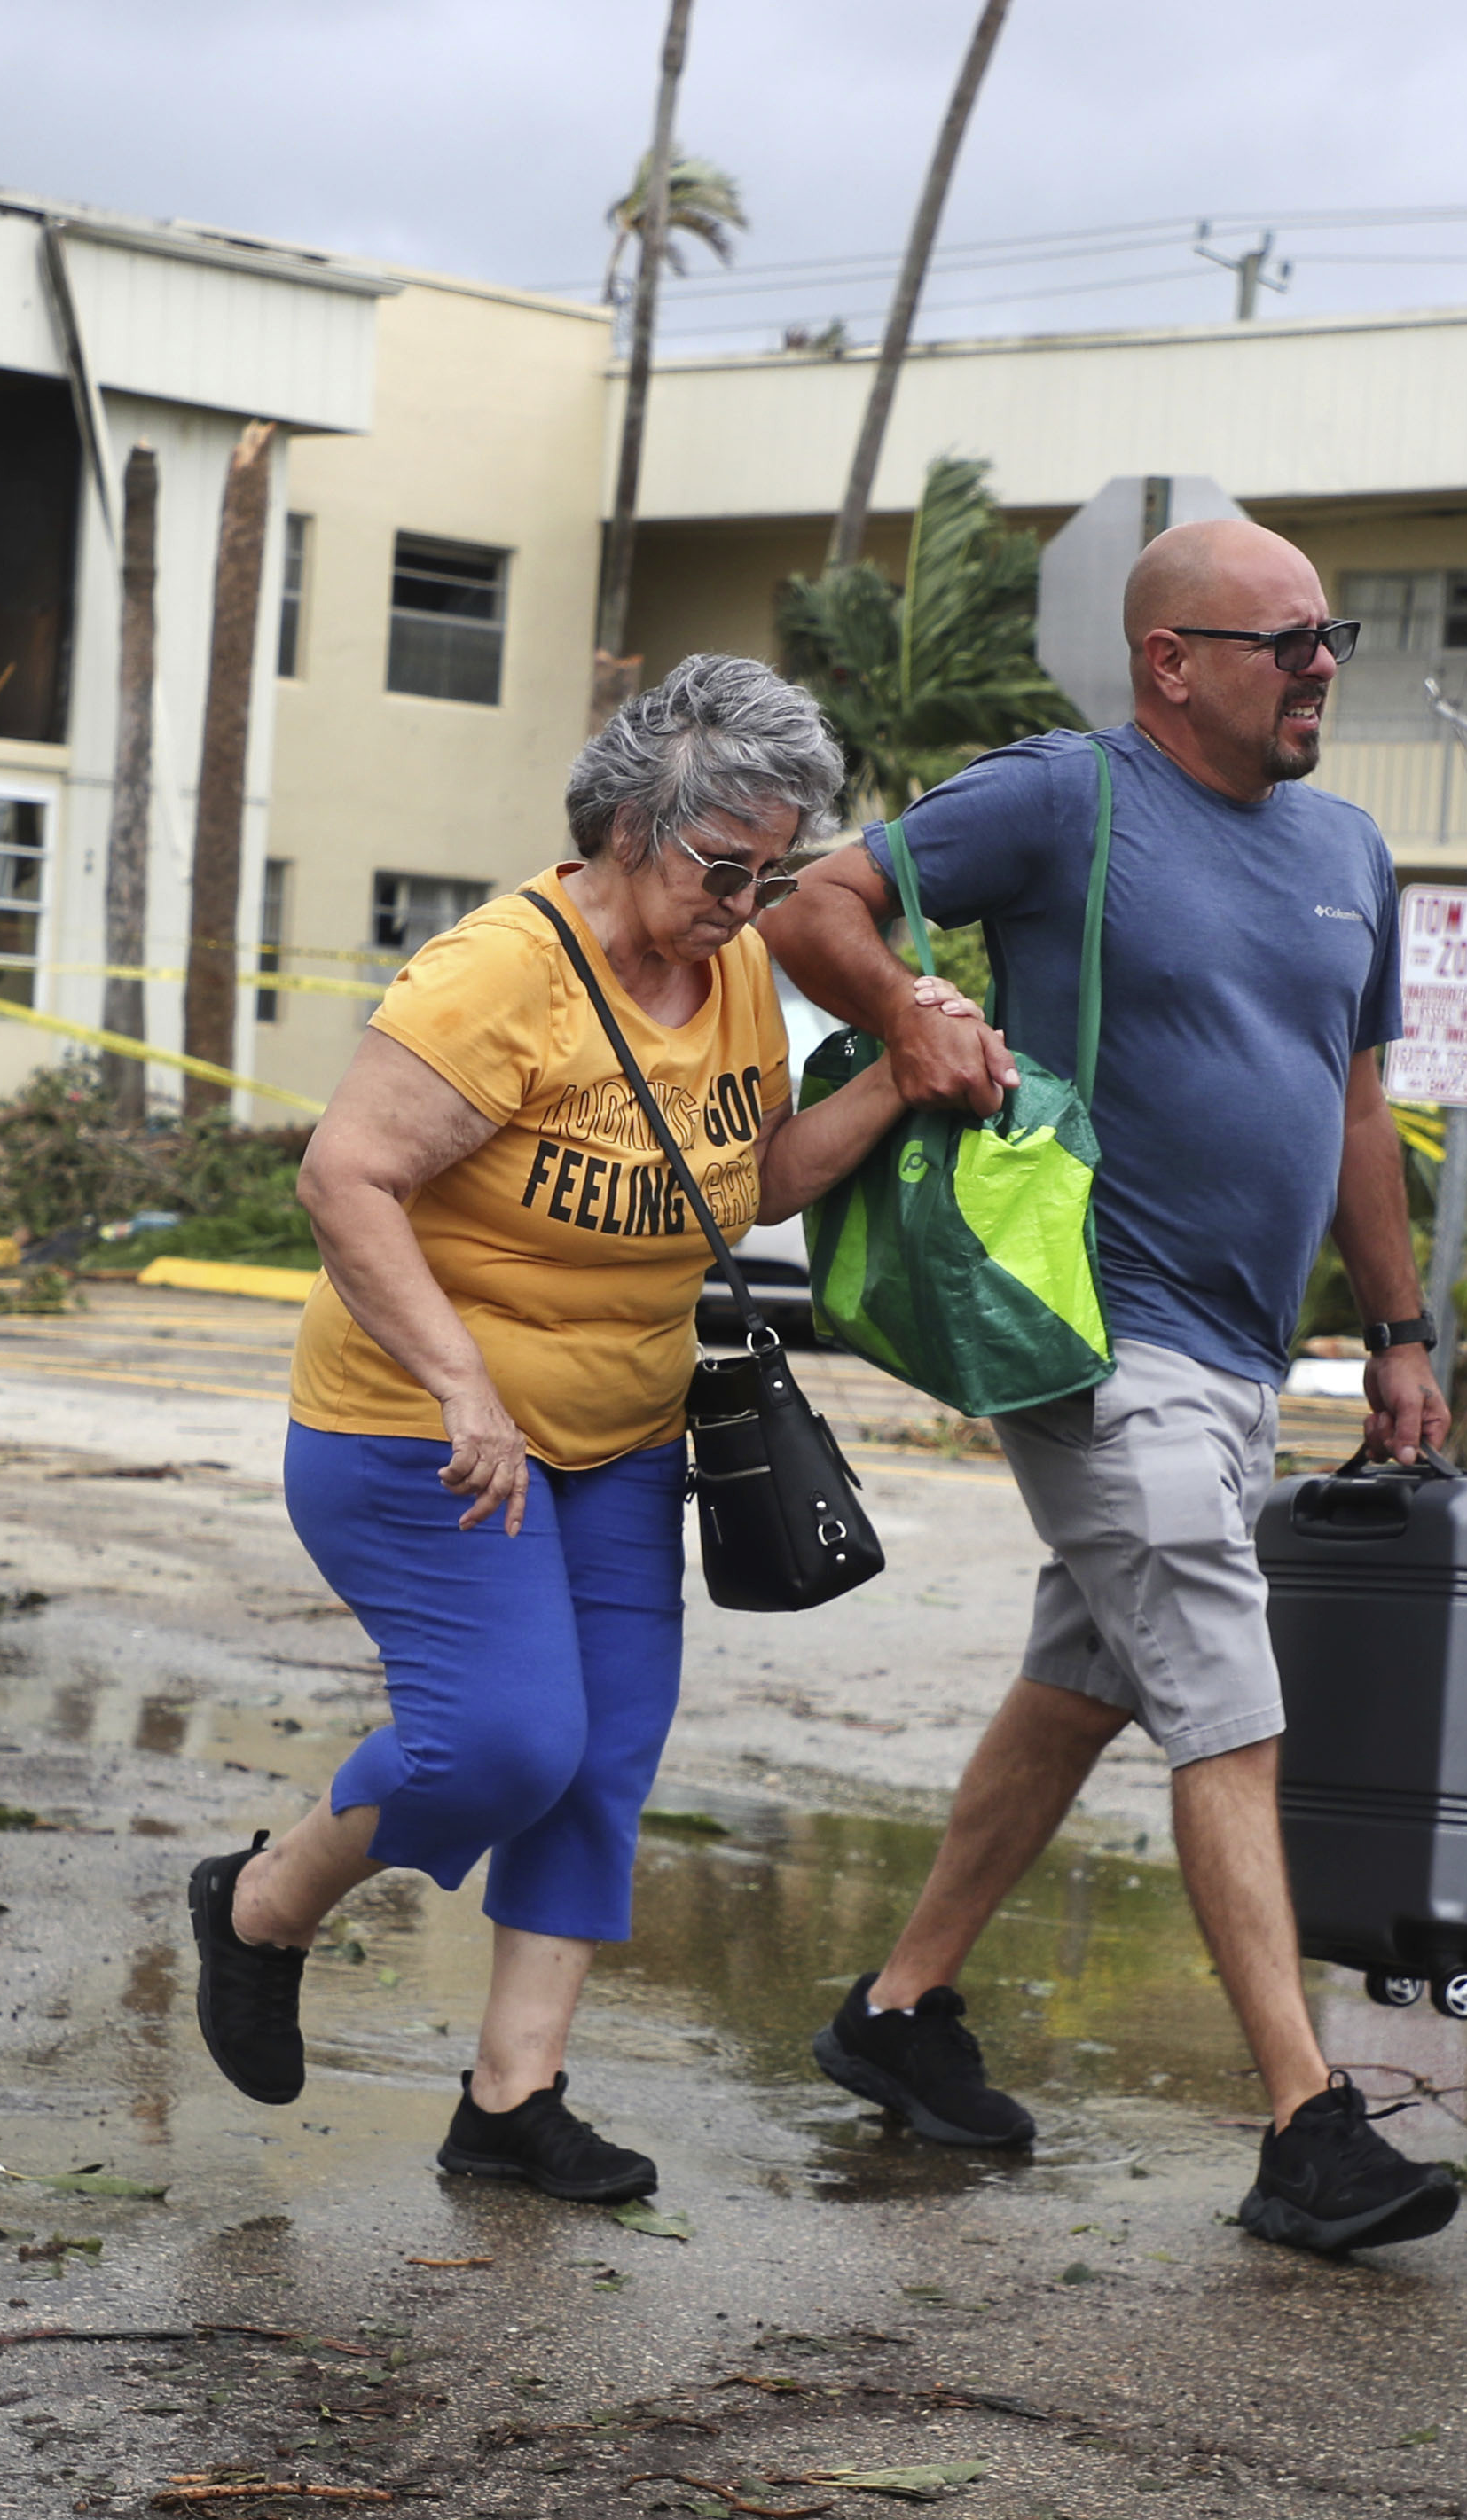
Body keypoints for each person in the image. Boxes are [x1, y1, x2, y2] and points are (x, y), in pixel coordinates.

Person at [756, 519, 1467, 2257]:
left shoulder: (1347, 851)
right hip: (1090, 1331)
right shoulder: (1067, 799)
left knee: (1083, 1673)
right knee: (1224, 1689)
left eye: (1330, 639)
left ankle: (900, 2009)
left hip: (1237, 1360)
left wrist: (1395, 1332)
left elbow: (1354, 1105)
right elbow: (809, 899)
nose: (1318, 668)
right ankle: (1307, 2121)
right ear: (1170, 661)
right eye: (1282, 640)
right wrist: (916, 1004)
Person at [180, 654, 968, 2204]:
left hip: (623, 1436)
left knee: (601, 1762)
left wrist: (895, 1075)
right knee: (502, 1745)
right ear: (627, 833)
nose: (747, 908)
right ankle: (265, 1903)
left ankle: (511, 2101)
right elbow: (343, 1179)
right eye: (721, 870)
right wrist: (461, 1379)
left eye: (773, 872)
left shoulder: (732, 969)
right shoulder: (498, 977)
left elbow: (747, 1182)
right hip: (421, 1431)